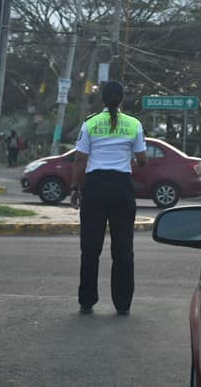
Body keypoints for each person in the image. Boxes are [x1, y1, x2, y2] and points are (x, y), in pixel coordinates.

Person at [70, 80, 147, 316]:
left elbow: (80, 160)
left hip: (95, 188)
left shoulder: (91, 123)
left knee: (90, 248)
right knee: (123, 249)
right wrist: (131, 161)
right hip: (122, 188)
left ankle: (87, 300)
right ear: (121, 99)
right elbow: (142, 160)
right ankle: (122, 304)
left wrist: (75, 188)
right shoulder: (134, 124)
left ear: (102, 99)